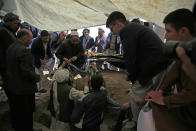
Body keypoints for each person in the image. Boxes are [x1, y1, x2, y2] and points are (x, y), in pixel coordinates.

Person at [106, 11, 170, 130]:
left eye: (111, 28)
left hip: (154, 67)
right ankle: (138, 120)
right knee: (145, 96)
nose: (112, 32)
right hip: (159, 65)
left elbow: (130, 58)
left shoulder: (127, 31)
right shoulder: (134, 28)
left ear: (118, 24)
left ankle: (136, 124)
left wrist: (133, 79)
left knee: (135, 95)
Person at [145, 8, 196, 131]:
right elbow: (175, 69)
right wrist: (161, 91)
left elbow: (193, 92)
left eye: (168, 31)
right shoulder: (185, 48)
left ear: (183, 31)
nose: (165, 36)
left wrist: (164, 100)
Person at [6, 29, 40, 131]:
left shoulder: (11, 47)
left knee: (17, 112)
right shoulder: (24, 50)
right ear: (25, 38)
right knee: (26, 114)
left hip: (13, 86)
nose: (31, 40)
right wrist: (37, 77)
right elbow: (26, 71)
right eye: (30, 38)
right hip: (24, 89)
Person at [49, 61, 74, 131]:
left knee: (53, 126)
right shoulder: (70, 90)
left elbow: (56, 74)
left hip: (54, 111)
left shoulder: (53, 82)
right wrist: (86, 84)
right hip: (63, 117)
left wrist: (62, 65)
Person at [0, 12, 20, 95]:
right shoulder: (3, 32)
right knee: (10, 87)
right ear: (8, 22)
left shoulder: (9, 31)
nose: (17, 26)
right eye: (15, 23)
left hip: (10, 65)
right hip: (7, 65)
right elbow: (5, 51)